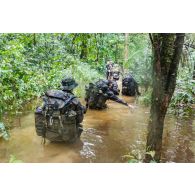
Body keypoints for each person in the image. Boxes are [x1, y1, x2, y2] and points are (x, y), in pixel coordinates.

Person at [35, 77, 86, 143]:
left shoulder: (49, 97)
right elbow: (80, 120)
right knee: (79, 126)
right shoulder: (74, 100)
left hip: (49, 135)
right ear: (72, 87)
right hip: (66, 136)